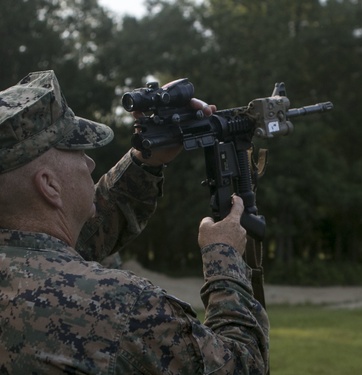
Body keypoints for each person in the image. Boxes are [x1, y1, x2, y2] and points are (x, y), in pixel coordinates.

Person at [0, 70, 269, 374]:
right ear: (49, 185)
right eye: (76, 149)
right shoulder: (120, 307)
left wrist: (145, 160)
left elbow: (75, 242)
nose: (89, 162)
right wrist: (226, 261)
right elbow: (243, 365)